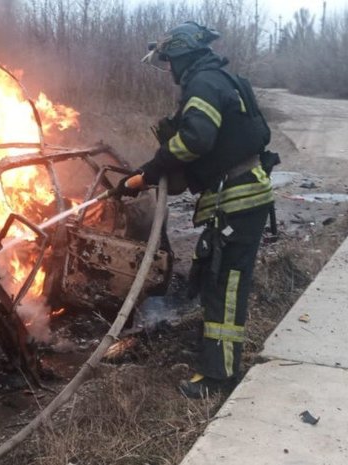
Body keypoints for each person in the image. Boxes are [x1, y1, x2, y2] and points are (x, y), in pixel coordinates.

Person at [115, 22, 277, 398]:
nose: (169, 69)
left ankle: (218, 377)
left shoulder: (202, 84)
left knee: (225, 286)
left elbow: (196, 139)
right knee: (218, 281)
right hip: (244, 195)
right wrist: (153, 175)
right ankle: (218, 359)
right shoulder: (222, 80)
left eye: (170, 61)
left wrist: (150, 171)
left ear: (183, 56)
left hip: (237, 200)